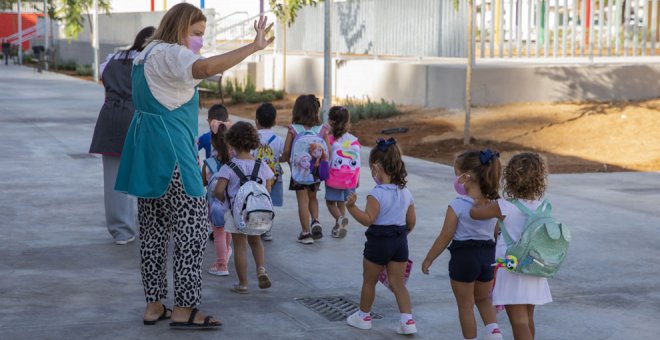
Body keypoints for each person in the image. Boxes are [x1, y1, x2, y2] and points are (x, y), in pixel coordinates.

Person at [114, 3, 274, 329]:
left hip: (146, 152)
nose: (200, 40)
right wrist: (253, 46)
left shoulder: (148, 52)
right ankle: (186, 308)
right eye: (197, 33)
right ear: (180, 28)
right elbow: (204, 68)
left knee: (154, 233)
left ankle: (154, 304)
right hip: (173, 151)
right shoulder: (174, 54)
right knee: (192, 231)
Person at [421, 149, 504, 340]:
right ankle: (494, 332)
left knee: (465, 305)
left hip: (464, 258)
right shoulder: (494, 203)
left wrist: (429, 258)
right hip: (487, 257)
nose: (456, 180)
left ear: (466, 177)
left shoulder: (457, 204)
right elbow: (497, 232)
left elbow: (445, 236)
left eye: (457, 175)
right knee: (483, 298)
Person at [469, 153, 553, 340]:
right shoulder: (542, 206)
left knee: (518, 320)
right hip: (534, 266)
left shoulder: (504, 206)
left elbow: (475, 214)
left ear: (509, 178)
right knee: (528, 317)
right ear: (540, 178)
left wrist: (477, 201)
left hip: (512, 267)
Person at [344, 138, 417, 335]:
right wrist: (400, 235)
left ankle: (363, 317)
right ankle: (407, 320)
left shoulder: (376, 194)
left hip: (378, 242)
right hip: (400, 241)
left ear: (376, 167)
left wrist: (351, 207)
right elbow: (411, 221)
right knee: (398, 283)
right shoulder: (406, 192)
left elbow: (368, 219)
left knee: (369, 281)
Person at [89, 26, 155, 245]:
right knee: (149, 173)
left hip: (110, 117)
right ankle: (154, 226)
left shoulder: (113, 59)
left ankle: (121, 231)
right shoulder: (150, 60)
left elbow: (104, 85)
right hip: (139, 117)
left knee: (114, 177)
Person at [213, 121, 274, 294]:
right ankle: (261, 269)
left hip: (236, 213)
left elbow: (218, 190)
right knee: (256, 242)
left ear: (231, 142)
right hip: (257, 212)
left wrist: (225, 199)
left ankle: (243, 284)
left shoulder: (228, 167)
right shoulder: (261, 165)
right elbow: (268, 189)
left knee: (240, 246)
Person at [280, 95, 330, 244]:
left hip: (298, 172)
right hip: (315, 172)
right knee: (313, 197)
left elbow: (287, 151)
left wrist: (282, 160)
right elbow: (328, 151)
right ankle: (315, 221)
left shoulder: (293, 129)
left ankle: (306, 233)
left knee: (302, 200)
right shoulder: (322, 129)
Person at [202, 113, 233, 277]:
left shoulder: (210, 163)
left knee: (218, 232)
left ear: (213, 143)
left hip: (215, 205)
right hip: (232, 204)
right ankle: (226, 253)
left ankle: (221, 264)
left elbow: (203, 183)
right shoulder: (235, 163)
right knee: (227, 231)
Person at [325, 106, 360, 239]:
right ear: (347, 122)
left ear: (331, 122)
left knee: (330, 203)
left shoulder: (330, 139)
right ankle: (340, 229)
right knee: (341, 202)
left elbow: (327, 156)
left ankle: (340, 220)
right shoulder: (354, 140)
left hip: (334, 177)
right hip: (350, 178)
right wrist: (357, 180)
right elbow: (356, 162)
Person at [252, 102, 284, 242]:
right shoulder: (278, 140)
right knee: (269, 201)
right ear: (275, 121)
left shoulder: (252, 138)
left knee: (256, 200)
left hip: (255, 177)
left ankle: (256, 226)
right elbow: (281, 156)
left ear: (256, 121)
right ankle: (267, 229)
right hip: (273, 177)